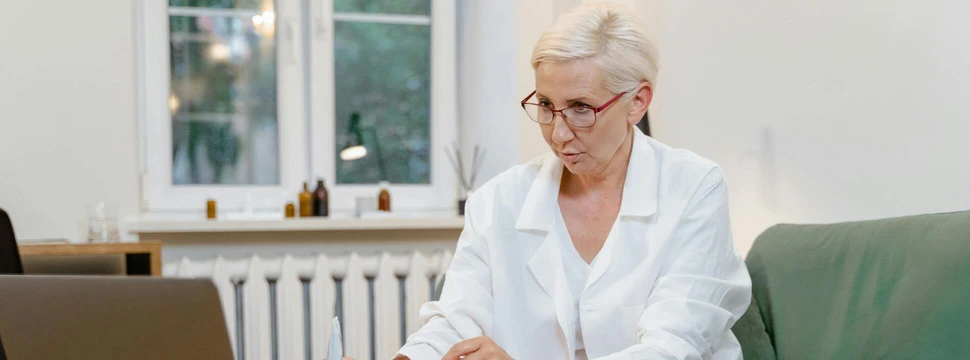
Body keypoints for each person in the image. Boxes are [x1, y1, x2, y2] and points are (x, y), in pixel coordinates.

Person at [387, 2, 752, 359]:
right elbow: (455, 321)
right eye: (545, 105)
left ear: (638, 102)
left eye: (581, 108)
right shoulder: (498, 200)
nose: (558, 134)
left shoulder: (694, 187)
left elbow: (673, 346)